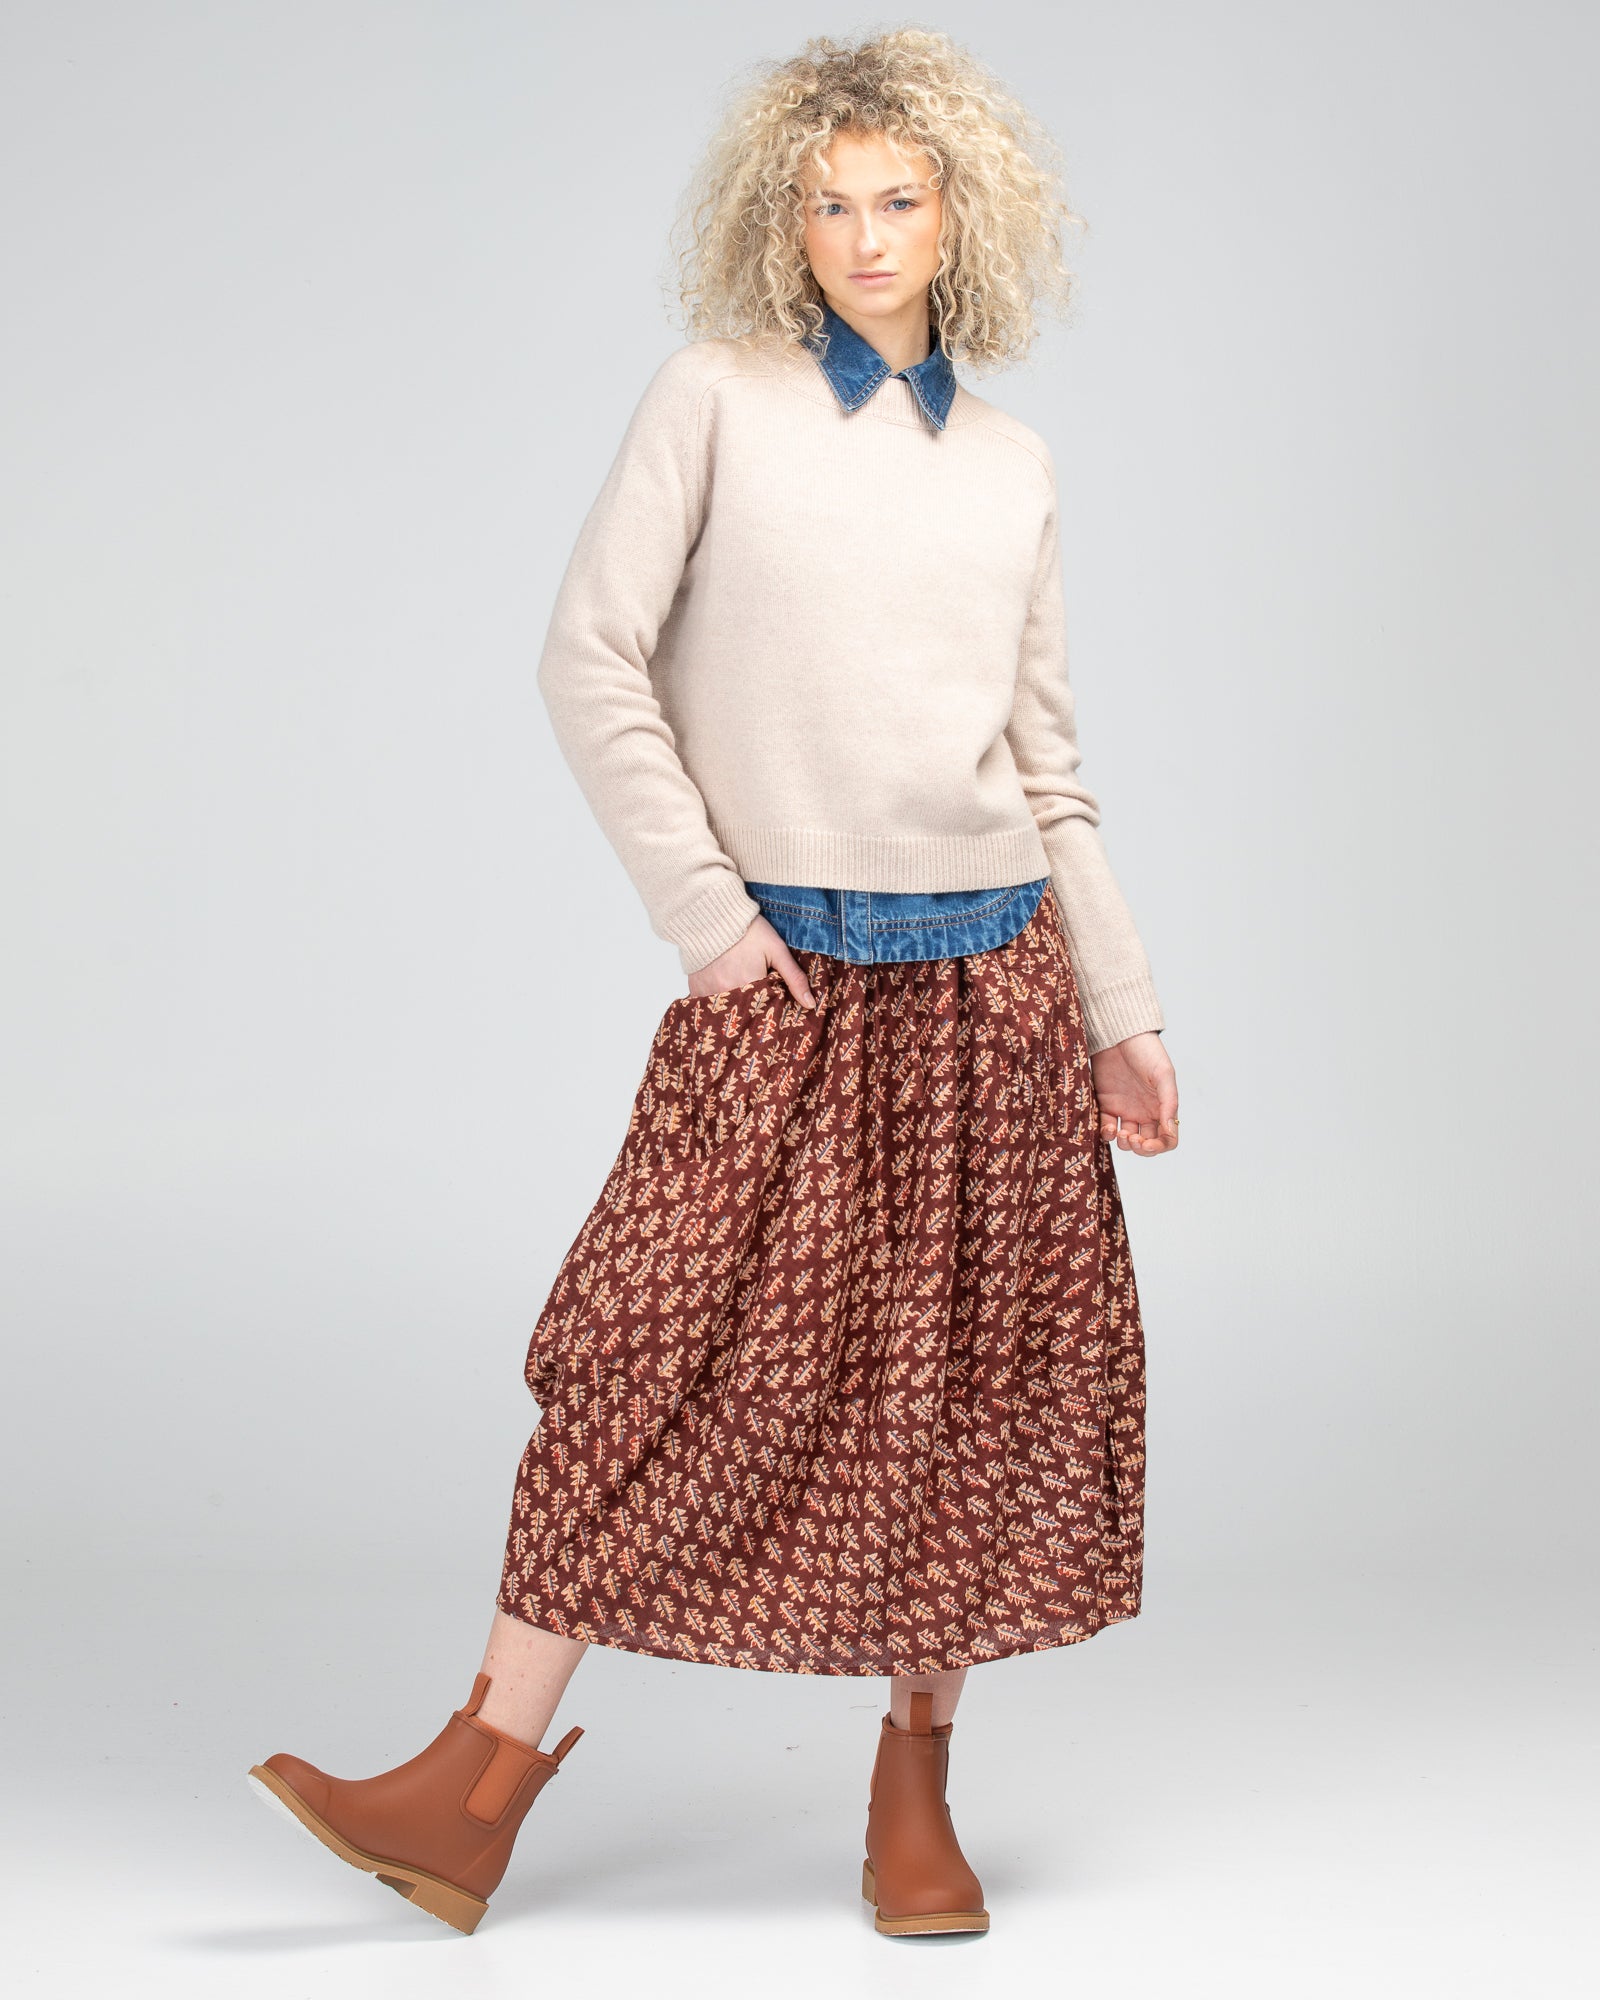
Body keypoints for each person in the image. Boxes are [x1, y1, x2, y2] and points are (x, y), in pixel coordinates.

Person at [248, 26, 1180, 1941]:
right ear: (786, 218)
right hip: (783, 984)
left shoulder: (1013, 469)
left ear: (961, 218)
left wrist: (1124, 1011)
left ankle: (913, 1789)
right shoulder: (715, 399)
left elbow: (1051, 768)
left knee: (953, 1400)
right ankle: (475, 1785)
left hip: (995, 988)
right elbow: (589, 658)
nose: (866, 236)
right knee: (643, 1354)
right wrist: (708, 919)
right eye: (830, 204)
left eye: (899, 200)